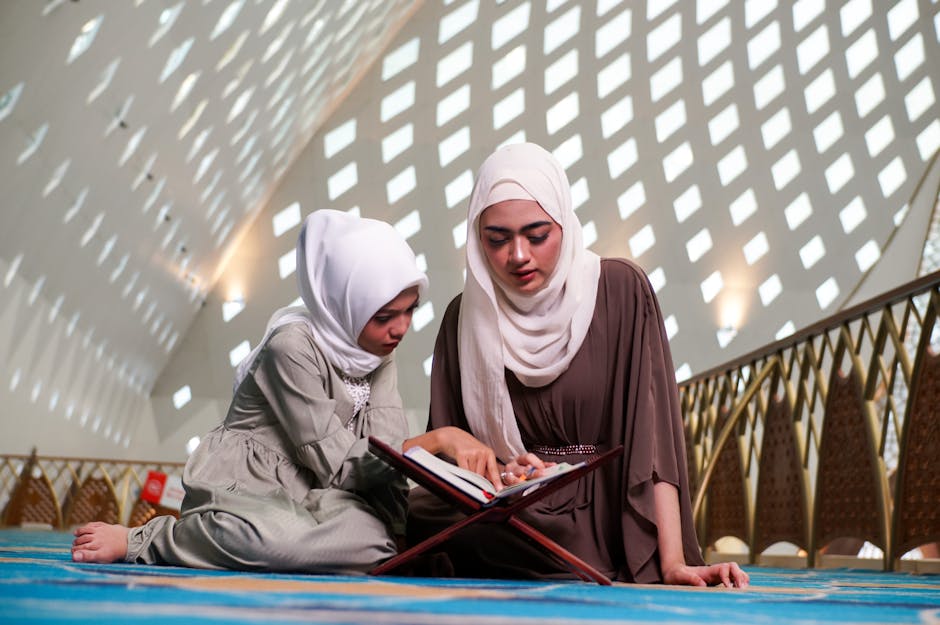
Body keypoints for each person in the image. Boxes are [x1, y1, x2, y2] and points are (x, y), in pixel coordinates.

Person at [406, 143, 750, 588]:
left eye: (536, 236)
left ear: (564, 225)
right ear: (477, 240)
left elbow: (653, 440)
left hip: (597, 512)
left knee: (442, 539)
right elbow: (449, 472)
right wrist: (506, 474)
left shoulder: (620, 289)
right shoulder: (463, 317)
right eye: (497, 239)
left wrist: (672, 562)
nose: (518, 256)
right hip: (506, 508)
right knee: (415, 511)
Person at [72, 209, 434, 574]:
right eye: (384, 316)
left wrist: (397, 533)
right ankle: (151, 538)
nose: (400, 329)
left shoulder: (379, 355)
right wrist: (431, 444)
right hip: (251, 494)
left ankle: (319, 543)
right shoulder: (291, 347)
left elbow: (387, 455)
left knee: (377, 539)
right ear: (341, 302)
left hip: (322, 500)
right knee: (277, 540)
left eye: (410, 311)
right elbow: (339, 463)